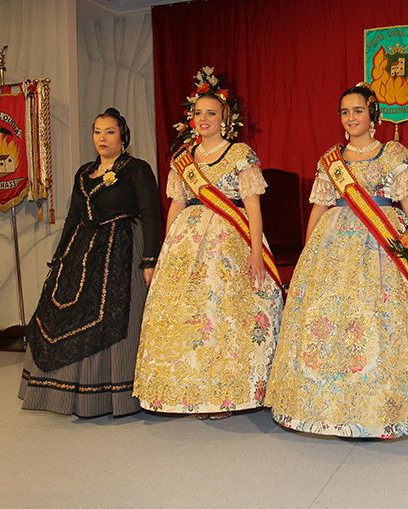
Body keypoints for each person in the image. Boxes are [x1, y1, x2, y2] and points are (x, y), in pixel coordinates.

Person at [265, 83, 408, 438]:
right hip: (333, 244)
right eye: (344, 112)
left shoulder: (393, 153)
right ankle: (327, 409)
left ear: (372, 115)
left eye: (357, 110)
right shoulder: (331, 161)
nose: (350, 117)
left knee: (381, 318)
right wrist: (309, 250)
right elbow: (319, 208)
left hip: (383, 243)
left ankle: (381, 409)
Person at [133, 74, 283, 420]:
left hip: (230, 237)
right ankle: (189, 389)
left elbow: (253, 206)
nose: (204, 119)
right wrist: (169, 247)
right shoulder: (184, 158)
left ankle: (225, 393)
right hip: (188, 240)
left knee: (223, 315)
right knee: (188, 318)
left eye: (212, 113)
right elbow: (176, 204)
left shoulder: (240, 154)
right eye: (199, 112)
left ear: (224, 118)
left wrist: (257, 252)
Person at [20, 107, 161, 418]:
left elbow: (151, 214)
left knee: (111, 315)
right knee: (62, 312)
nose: (102, 138)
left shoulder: (137, 169)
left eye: (109, 131)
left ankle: (112, 390)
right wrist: (59, 257)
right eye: (97, 131)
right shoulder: (84, 172)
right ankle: (62, 389)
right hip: (82, 250)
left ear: (123, 136)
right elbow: (73, 215)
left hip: (122, 248)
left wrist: (150, 259)